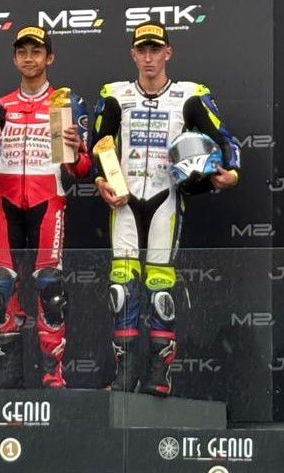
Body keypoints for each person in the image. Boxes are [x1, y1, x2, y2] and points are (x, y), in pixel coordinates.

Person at [91, 21, 241, 397]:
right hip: (124, 201)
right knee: (121, 287)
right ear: (133, 54)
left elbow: (225, 140)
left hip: (167, 199)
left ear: (168, 53)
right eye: (142, 50)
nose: (148, 58)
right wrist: (100, 179)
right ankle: (125, 374)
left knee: (161, 286)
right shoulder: (115, 94)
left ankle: (159, 373)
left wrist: (232, 172)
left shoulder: (190, 96)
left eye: (155, 50)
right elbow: (99, 143)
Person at [0, 25, 91, 389]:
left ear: (50, 57)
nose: (29, 59)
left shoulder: (67, 103)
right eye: (22, 52)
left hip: (48, 200)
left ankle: (52, 373)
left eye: (37, 52)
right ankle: (9, 373)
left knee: (49, 286)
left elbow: (81, 170)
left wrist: (77, 150)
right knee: (0, 286)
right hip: (4, 201)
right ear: (15, 58)